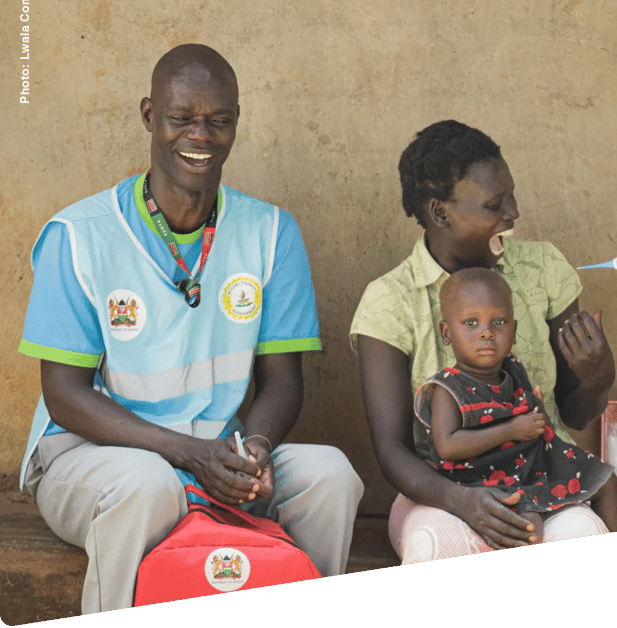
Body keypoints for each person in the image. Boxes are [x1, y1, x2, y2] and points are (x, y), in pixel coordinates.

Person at [17, 44, 364, 613]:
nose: (199, 136)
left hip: (214, 456)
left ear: (235, 123)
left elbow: (282, 381)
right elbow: (64, 397)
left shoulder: (270, 231)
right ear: (150, 116)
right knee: (146, 486)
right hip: (93, 458)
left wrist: (253, 449)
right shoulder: (80, 235)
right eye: (181, 119)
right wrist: (189, 455)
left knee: (331, 476)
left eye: (218, 121)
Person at [350, 119, 617, 563]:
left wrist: (598, 381)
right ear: (440, 213)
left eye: (510, 195)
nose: (513, 212)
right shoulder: (391, 303)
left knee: (582, 534)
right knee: (436, 548)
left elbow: (572, 410)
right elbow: (392, 449)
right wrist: (463, 502)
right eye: (496, 203)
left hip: (542, 481)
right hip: (438, 493)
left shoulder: (542, 269)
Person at [415, 267, 617, 541]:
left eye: (499, 322)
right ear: (446, 332)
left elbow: (531, 425)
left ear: (514, 331)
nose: (486, 333)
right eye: (470, 323)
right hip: (482, 482)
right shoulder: (448, 388)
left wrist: (537, 415)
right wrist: (512, 430)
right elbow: (447, 446)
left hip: (532, 470)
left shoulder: (514, 371)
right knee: (528, 525)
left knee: (605, 480)